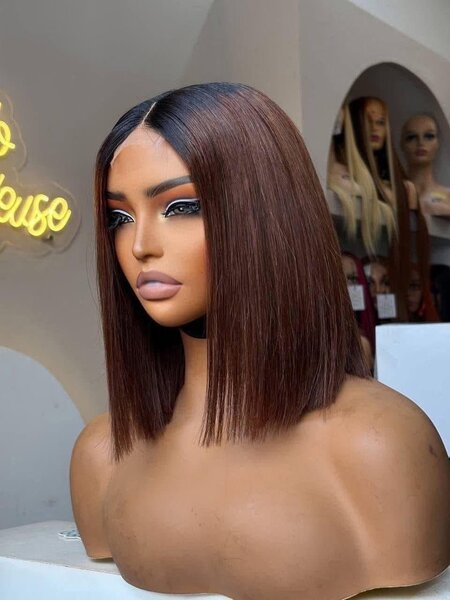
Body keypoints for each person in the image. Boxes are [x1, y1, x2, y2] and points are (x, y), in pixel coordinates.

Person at [70, 83, 450, 600]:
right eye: (120, 217)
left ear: (267, 216)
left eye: (180, 207)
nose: (140, 245)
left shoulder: (379, 445)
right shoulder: (103, 454)